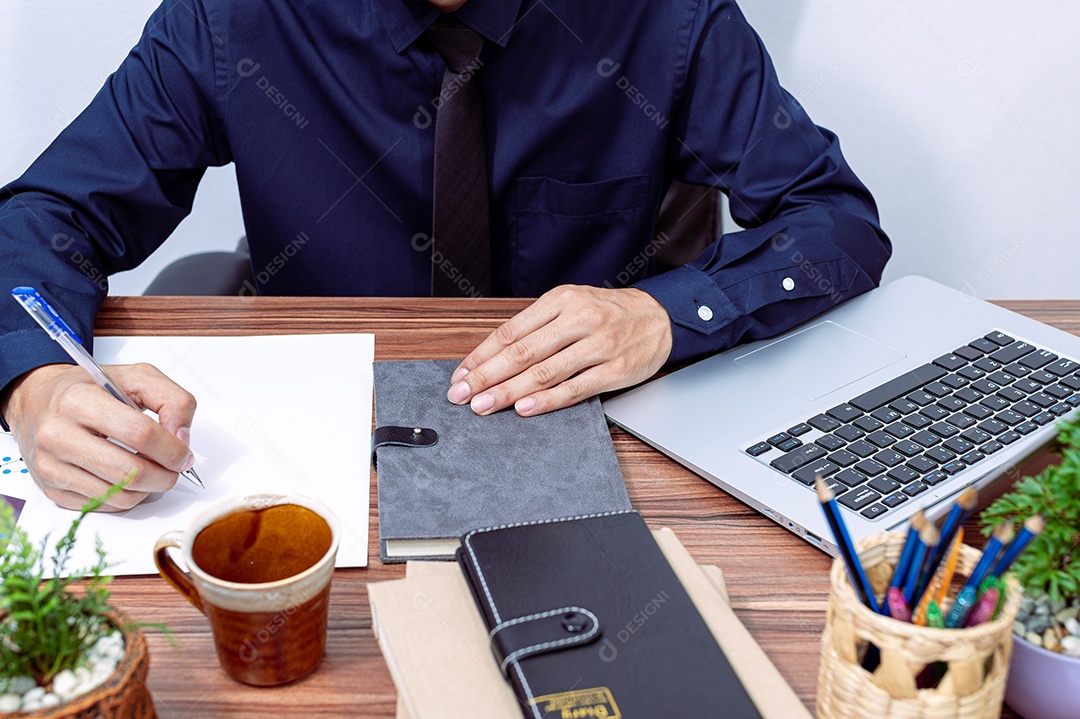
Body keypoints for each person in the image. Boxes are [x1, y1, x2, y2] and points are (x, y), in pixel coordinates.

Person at [0, 0, 891, 511]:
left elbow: (835, 221)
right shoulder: (233, 17)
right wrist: (34, 381)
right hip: (315, 460)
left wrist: (664, 313)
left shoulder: (665, 16)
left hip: (602, 453)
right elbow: (48, 214)